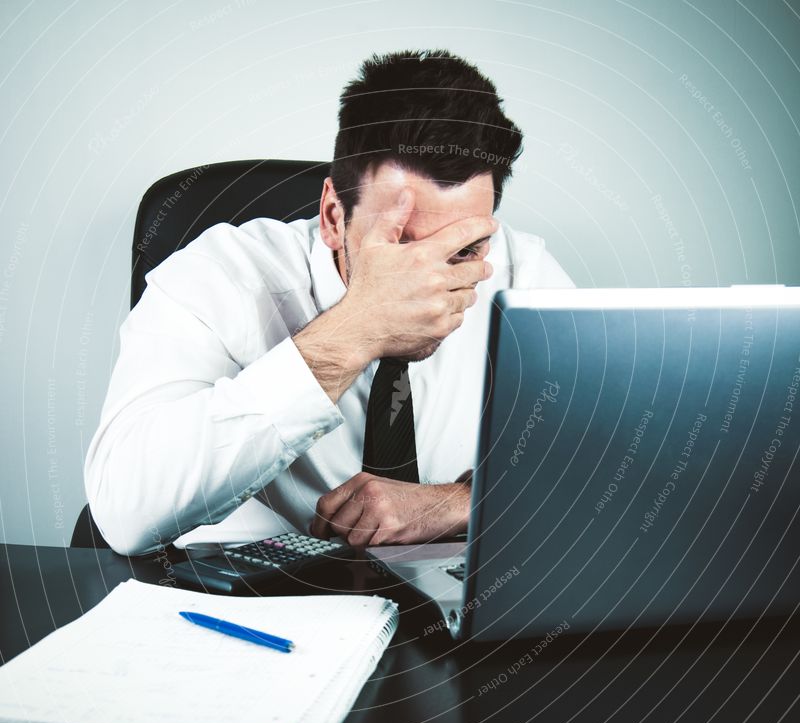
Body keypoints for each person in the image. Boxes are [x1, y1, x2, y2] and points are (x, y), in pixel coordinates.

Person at [85, 48, 574, 556]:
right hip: (264, 604)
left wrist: (456, 503)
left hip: (458, 608)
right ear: (333, 215)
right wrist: (355, 330)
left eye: (464, 250)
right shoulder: (221, 276)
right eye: (403, 246)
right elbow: (125, 508)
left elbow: (609, 470)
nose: (433, 280)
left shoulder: (525, 277)